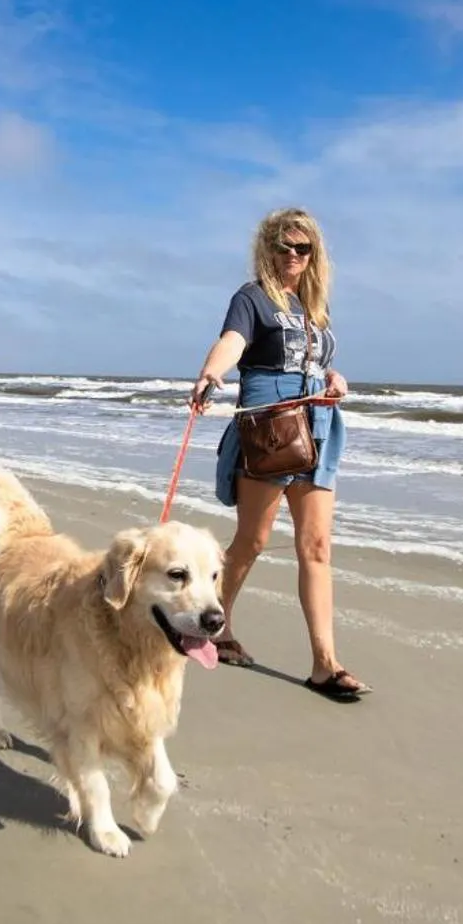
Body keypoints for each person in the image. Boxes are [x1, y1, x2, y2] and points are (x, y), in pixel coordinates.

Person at [189, 208, 369, 701]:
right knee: (252, 541)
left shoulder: (314, 307)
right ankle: (212, 627)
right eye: (283, 247)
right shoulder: (252, 299)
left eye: (302, 248)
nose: (293, 255)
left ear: (314, 255)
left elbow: (317, 361)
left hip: (318, 427)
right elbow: (233, 341)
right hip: (270, 429)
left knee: (316, 547)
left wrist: (335, 377)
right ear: (267, 251)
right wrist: (210, 372)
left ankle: (324, 664)